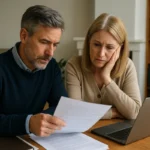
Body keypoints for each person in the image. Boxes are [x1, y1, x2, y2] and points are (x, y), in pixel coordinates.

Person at [0, 5, 68, 137]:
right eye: (44, 42)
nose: (50, 53)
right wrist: (28, 123)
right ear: (24, 36)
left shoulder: (51, 66)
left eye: (55, 44)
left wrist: (38, 121)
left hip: (33, 141)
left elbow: (62, 107)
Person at [65, 13, 142, 120]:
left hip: (114, 132)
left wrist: (106, 78)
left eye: (110, 47)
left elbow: (135, 112)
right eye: (96, 45)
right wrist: (112, 113)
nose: (101, 54)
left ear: (120, 48)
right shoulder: (74, 65)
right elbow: (74, 111)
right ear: (89, 42)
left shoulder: (127, 66)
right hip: (84, 132)